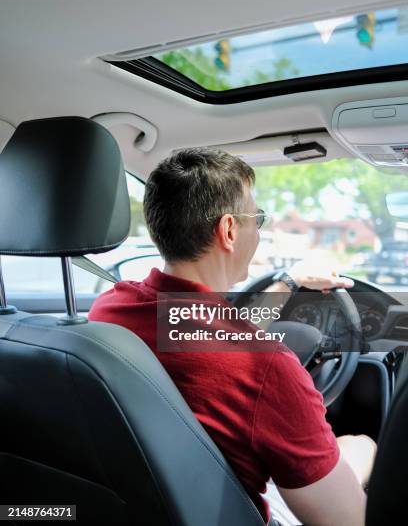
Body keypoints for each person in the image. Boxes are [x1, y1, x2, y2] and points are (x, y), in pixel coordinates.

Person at [89, 148, 376, 526]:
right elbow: (346, 520)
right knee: (360, 446)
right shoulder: (266, 367)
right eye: (256, 219)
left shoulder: (112, 308)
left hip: (133, 505)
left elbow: (212, 339)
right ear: (228, 230)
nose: (258, 229)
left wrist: (289, 283)